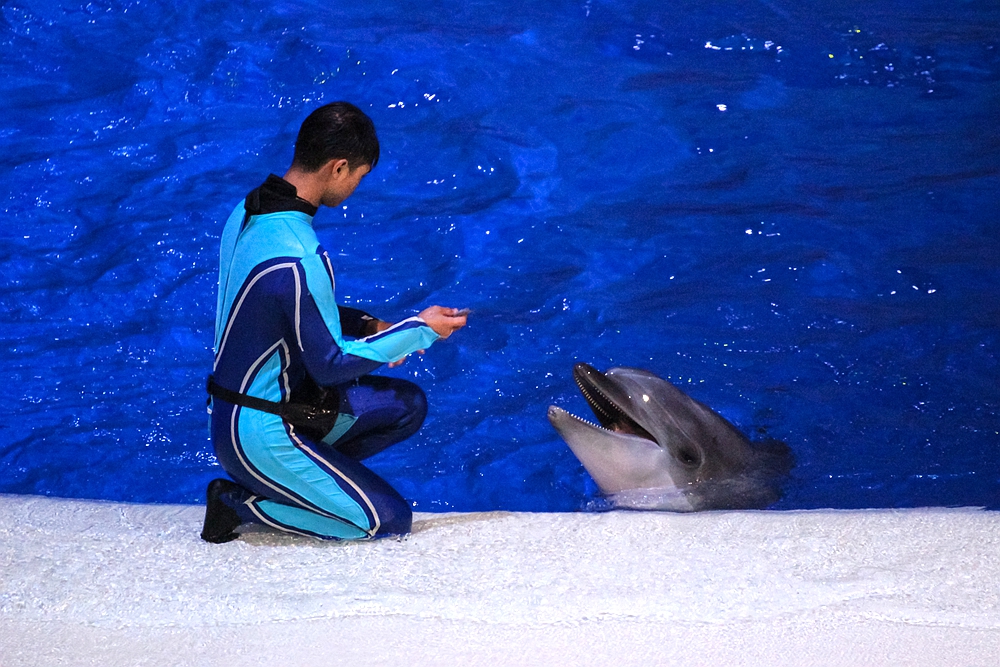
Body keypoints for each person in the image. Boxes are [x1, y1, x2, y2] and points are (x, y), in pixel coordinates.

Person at [202, 102, 467, 543]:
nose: (355, 188)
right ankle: (241, 502)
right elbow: (331, 362)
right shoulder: (302, 254)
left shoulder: (248, 212)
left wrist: (370, 326)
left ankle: (306, 480)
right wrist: (419, 329)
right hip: (262, 432)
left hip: (232, 414)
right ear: (338, 167)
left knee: (406, 407)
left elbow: (284, 309)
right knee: (386, 521)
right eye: (359, 176)